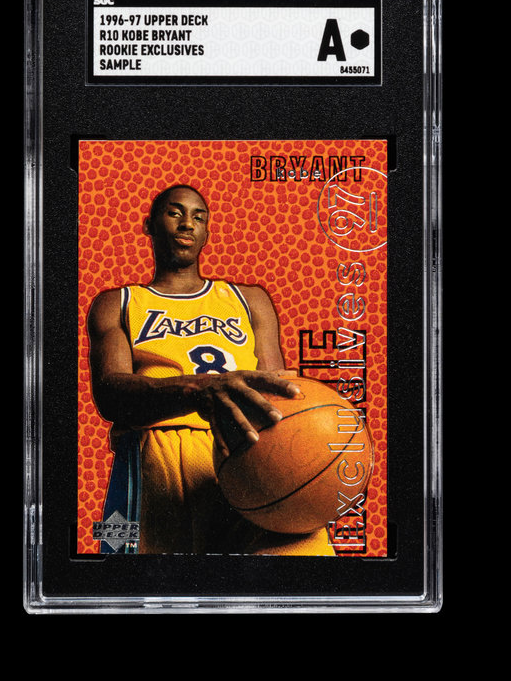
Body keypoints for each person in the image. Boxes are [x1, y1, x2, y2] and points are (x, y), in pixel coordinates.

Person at [87, 184, 334, 555]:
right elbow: (110, 394)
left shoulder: (249, 299)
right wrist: (197, 390)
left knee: (303, 572)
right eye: (174, 212)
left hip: (247, 452)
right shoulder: (117, 303)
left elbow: (279, 394)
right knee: (134, 581)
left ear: (206, 233)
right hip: (155, 454)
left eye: (198, 217)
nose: (187, 223)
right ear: (149, 225)